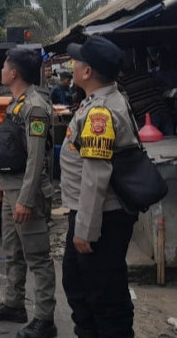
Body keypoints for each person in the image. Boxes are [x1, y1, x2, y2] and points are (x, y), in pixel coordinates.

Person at [60, 36, 138, 337]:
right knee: (80, 287)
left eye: (77, 61)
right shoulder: (99, 102)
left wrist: (86, 230)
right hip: (92, 213)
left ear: (88, 72)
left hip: (100, 217)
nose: (73, 65)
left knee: (104, 297)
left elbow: (95, 174)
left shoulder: (100, 113)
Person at [0, 47, 57, 338]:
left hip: (28, 194)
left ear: (14, 73)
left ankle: (45, 319)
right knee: (13, 251)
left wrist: (25, 198)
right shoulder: (17, 103)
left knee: (37, 257)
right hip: (11, 188)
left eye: (4, 67)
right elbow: (14, 151)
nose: (0, 71)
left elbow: (37, 159)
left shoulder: (35, 106)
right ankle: (14, 304)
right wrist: (1, 181)